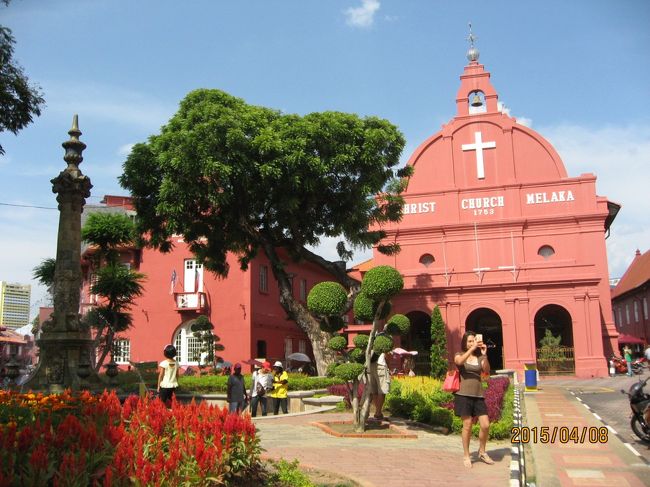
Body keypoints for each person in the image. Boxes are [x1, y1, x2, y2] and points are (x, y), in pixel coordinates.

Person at [454, 331, 493, 468]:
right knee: (467, 425)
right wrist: (471, 349)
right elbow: (458, 362)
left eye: (473, 341)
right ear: (465, 343)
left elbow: (486, 370)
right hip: (463, 395)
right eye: (469, 341)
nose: (472, 343)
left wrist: (484, 355)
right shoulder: (459, 355)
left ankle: (482, 451)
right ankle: (466, 455)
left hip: (478, 396)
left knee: (485, 425)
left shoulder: (479, 357)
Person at [368, 350, 391, 420]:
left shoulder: (370, 339)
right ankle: (378, 412)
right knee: (382, 390)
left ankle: (377, 412)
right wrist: (388, 364)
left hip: (370, 365)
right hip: (381, 364)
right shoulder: (385, 339)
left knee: (374, 390)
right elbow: (388, 354)